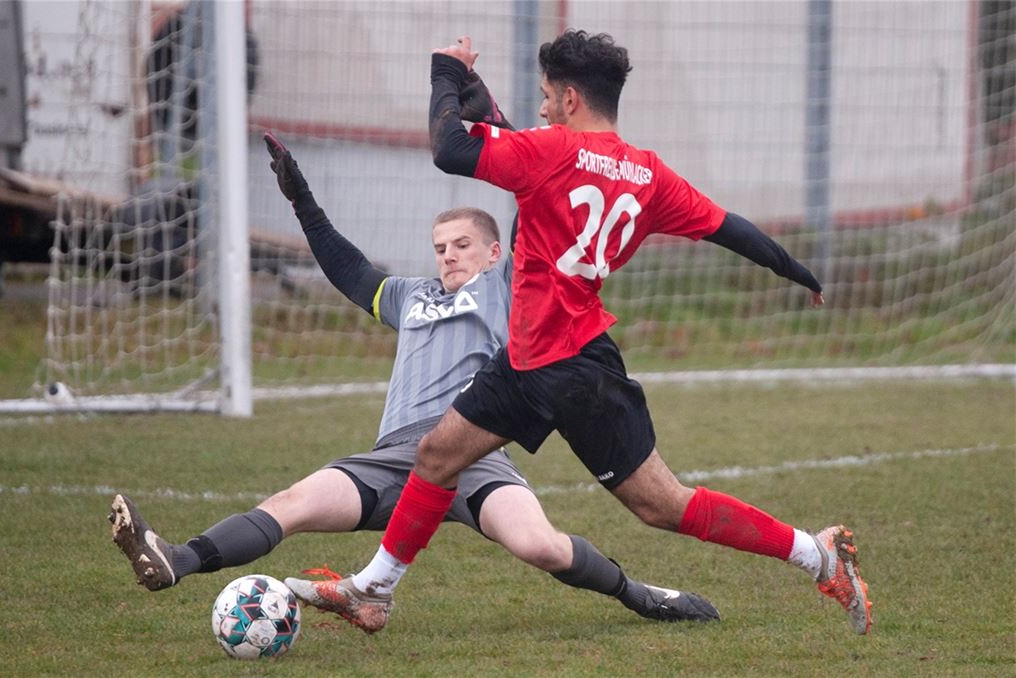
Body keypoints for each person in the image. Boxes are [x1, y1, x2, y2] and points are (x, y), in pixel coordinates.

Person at [312, 31, 872, 637]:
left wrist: (444, 71)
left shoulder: (549, 150)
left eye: (549, 97)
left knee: (661, 504)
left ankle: (816, 554)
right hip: (534, 359)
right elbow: (730, 228)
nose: (545, 107)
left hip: (572, 369)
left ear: (572, 98)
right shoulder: (647, 172)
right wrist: (797, 270)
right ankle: (374, 588)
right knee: (436, 454)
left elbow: (450, 149)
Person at [108, 126, 721, 634]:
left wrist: (499, 127)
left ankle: (642, 595)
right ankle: (175, 559)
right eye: (439, 247)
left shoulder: (513, 290)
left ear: (495, 253)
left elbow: (545, 209)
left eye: (462, 245)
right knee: (291, 504)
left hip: (476, 452)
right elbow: (349, 271)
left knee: (540, 546)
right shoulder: (409, 295)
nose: (448, 255)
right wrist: (302, 202)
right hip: (397, 456)